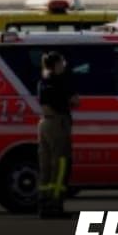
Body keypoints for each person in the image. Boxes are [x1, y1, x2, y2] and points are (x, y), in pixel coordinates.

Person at [36, 51, 77, 218]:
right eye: (62, 62)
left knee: (45, 166)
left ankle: (44, 204)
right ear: (56, 64)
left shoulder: (43, 81)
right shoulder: (60, 81)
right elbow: (75, 101)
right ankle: (56, 205)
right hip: (58, 123)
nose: (64, 65)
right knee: (60, 165)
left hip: (44, 122)